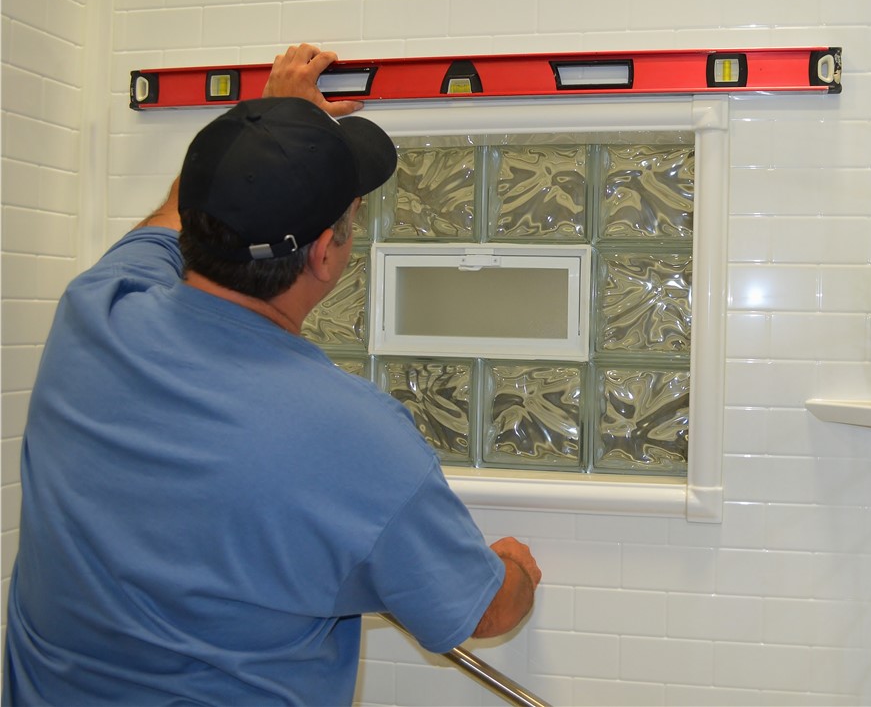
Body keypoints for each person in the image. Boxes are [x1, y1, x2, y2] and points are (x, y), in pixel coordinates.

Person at [2, 44, 542, 706]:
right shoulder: (355, 436)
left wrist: (265, 124)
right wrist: (513, 567)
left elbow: (175, 211)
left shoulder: (97, 312)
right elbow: (482, 611)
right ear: (326, 251)